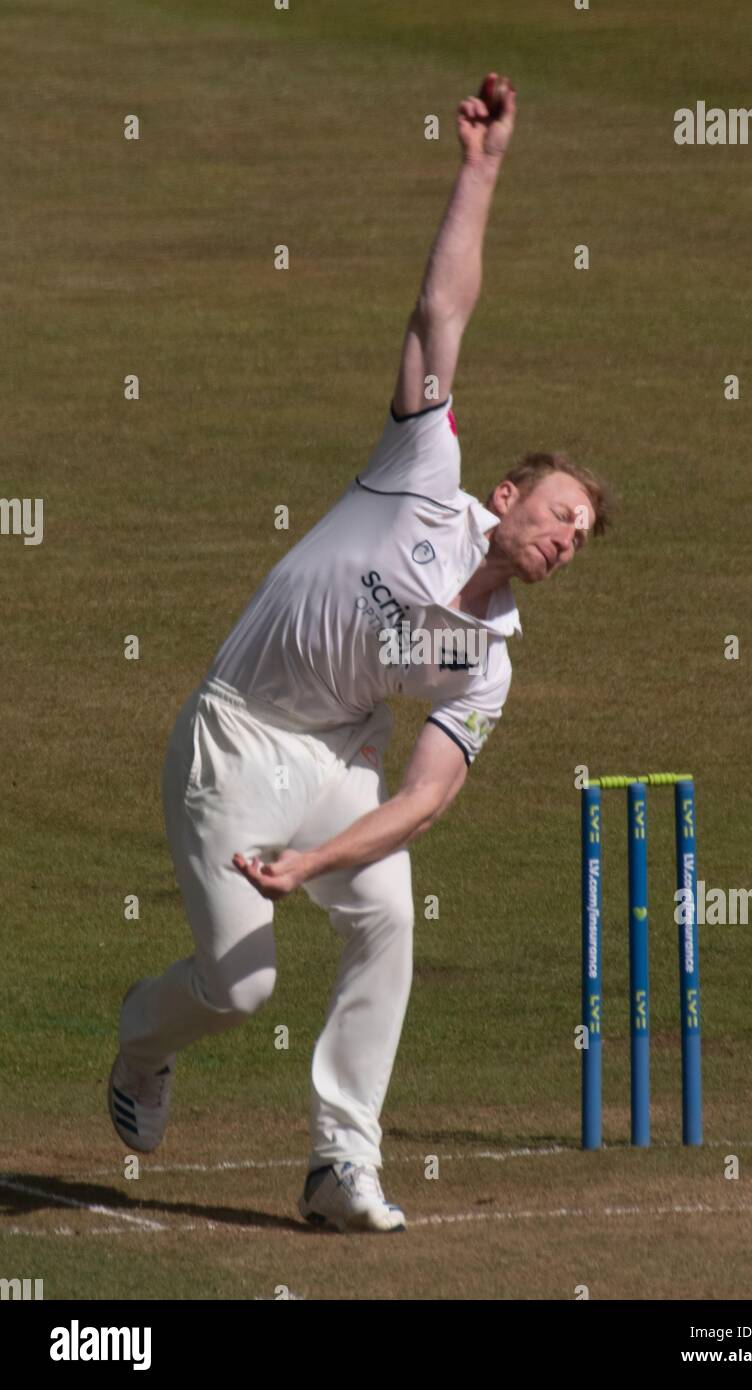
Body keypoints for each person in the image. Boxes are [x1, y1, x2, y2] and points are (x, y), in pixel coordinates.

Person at [108, 72, 611, 1233]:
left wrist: (319, 857)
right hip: (235, 729)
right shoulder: (419, 470)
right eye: (557, 512)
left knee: (386, 913)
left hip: (337, 756)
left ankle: (341, 1163)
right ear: (504, 494)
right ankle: (142, 1044)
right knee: (240, 988)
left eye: (579, 537)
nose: (563, 538)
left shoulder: (487, 659)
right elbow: (441, 311)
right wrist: (478, 170)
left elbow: (425, 800)